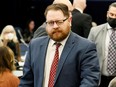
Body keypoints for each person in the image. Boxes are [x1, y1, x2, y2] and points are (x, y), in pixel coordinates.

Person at [19, 3, 100, 87]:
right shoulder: (35, 45)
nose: (55, 26)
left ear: (70, 20)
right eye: (50, 22)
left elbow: (90, 81)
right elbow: (26, 82)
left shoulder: (85, 47)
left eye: (59, 22)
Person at [88, 2, 116, 87]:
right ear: (107, 14)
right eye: (112, 14)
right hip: (99, 79)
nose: (114, 17)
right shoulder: (95, 31)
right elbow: (87, 55)